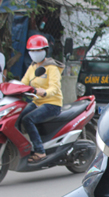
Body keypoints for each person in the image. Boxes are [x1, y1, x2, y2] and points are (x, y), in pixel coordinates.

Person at [20, 35, 64, 163]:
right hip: (37, 102)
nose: (35, 53)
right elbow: (23, 83)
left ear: (45, 50)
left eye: (38, 50)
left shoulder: (51, 67)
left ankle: (39, 151)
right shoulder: (33, 67)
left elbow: (54, 88)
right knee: (18, 116)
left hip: (52, 104)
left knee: (28, 119)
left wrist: (44, 92)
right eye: (32, 51)